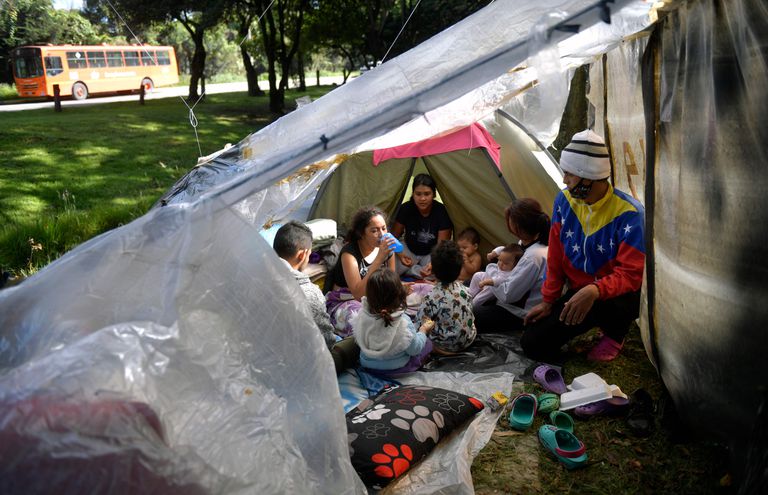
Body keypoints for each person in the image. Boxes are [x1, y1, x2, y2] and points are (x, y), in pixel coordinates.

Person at [523, 130, 645, 362]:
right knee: (532, 343)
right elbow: (556, 255)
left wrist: (594, 290)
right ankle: (591, 321)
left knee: (629, 298)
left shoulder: (630, 214)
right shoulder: (564, 200)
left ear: (588, 176)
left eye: (569, 174)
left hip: (609, 297)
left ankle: (614, 334)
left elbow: (631, 276)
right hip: (578, 292)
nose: (564, 180)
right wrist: (549, 301)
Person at [274, 221, 360, 372]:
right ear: (302, 255)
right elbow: (326, 341)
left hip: (261, 356)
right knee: (357, 342)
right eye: (309, 254)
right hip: (296, 368)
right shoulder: (309, 293)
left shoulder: (254, 278)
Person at [472, 198, 550, 333]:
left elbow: (507, 295)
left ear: (518, 226)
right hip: (506, 298)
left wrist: (491, 271)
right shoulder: (525, 243)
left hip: (517, 313)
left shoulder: (534, 256)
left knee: (471, 314)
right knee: (473, 282)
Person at [325, 206, 397, 336]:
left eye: (384, 228)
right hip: (347, 300)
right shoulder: (349, 254)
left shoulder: (387, 248)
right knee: (364, 323)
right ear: (361, 233)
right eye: (374, 231)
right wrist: (378, 259)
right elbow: (358, 294)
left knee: (423, 293)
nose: (382, 234)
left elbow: (391, 283)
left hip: (377, 297)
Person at [354, 268, 435, 374]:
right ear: (399, 296)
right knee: (427, 344)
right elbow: (414, 350)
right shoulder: (403, 323)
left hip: (367, 365)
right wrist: (423, 330)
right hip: (397, 368)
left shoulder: (362, 314)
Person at [416, 240, 477, 353]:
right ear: (459, 269)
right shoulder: (466, 290)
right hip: (468, 340)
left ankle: (439, 350)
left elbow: (420, 323)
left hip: (443, 345)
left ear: (433, 270)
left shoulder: (430, 297)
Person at [390, 174, 453, 279]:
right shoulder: (406, 208)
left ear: (434, 194)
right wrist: (400, 255)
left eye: (427, 194)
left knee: (441, 271)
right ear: (413, 194)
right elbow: (392, 237)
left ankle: (411, 270)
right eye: (418, 194)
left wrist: (433, 263)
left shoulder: (441, 211)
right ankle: (414, 270)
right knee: (389, 270)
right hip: (408, 250)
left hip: (431, 254)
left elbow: (442, 246)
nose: (422, 198)